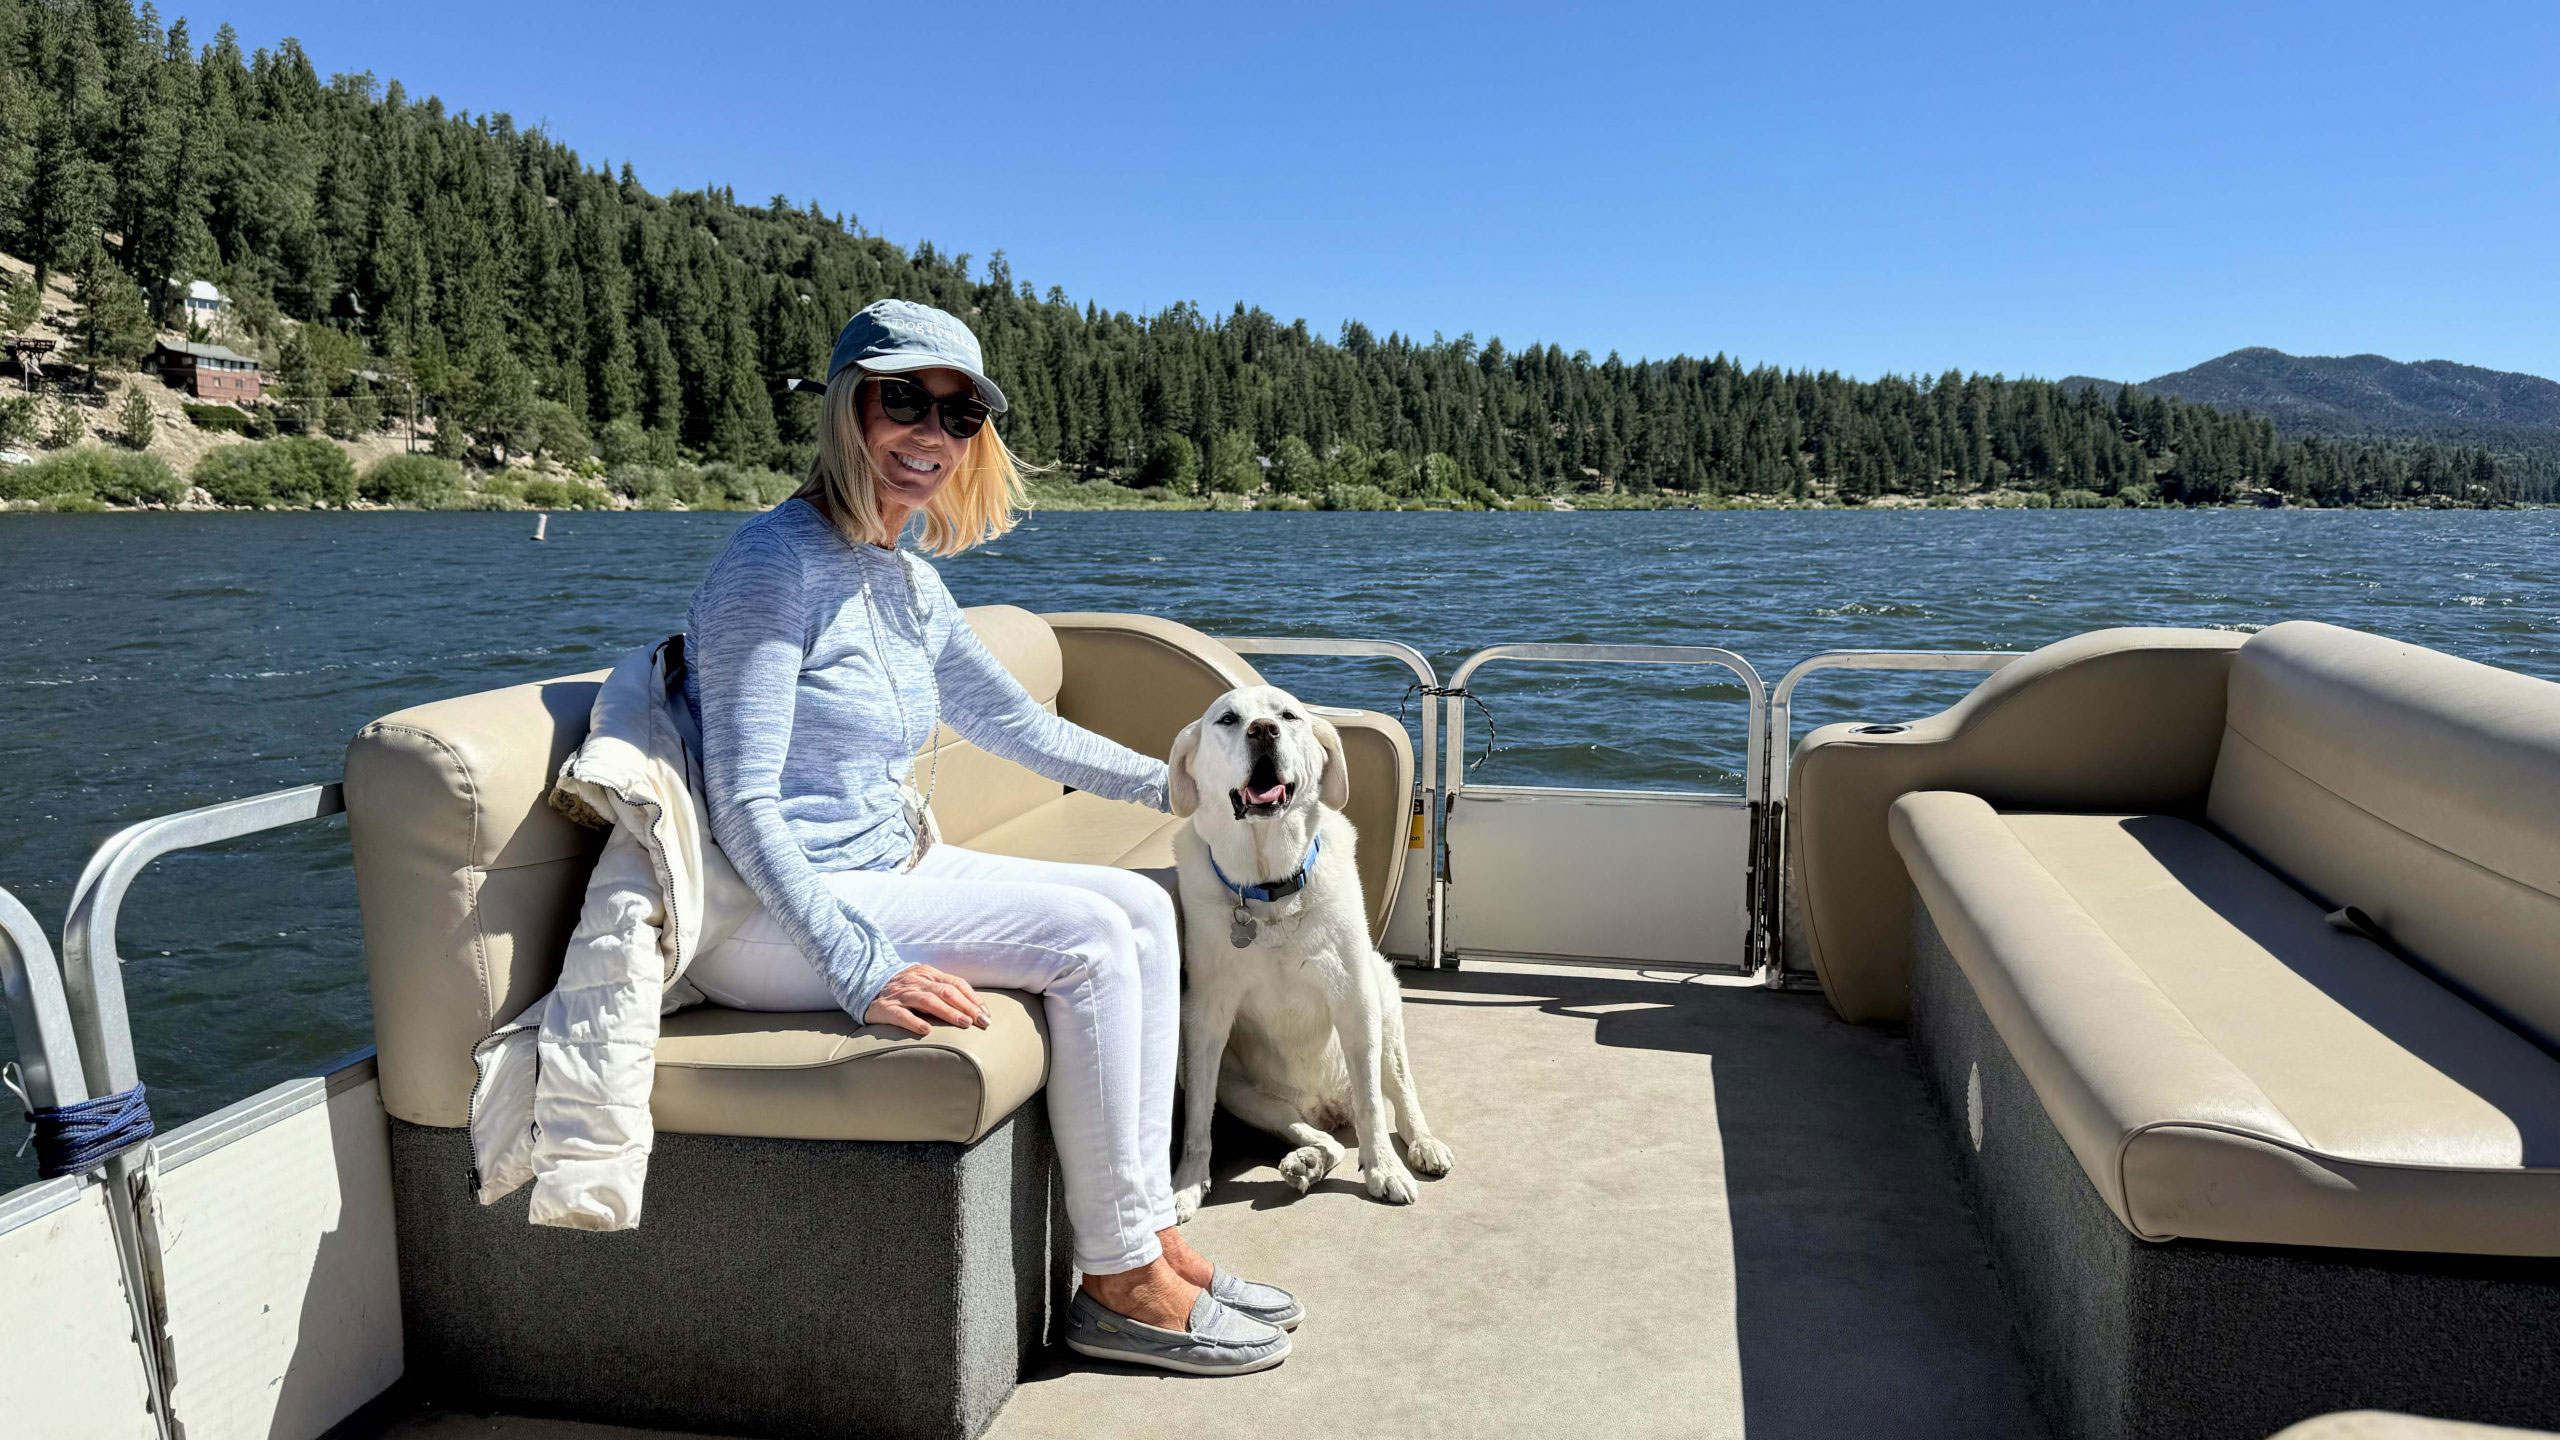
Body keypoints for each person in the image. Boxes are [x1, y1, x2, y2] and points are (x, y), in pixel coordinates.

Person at [680, 298, 1296, 1377]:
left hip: (881, 869)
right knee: (1091, 942)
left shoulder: (906, 578)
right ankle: (1115, 1283)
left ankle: (1148, 1233)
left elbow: (1017, 725)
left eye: (959, 416)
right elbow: (740, 803)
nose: (929, 434)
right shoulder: (770, 566)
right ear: (845, 405)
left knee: (1144, 908)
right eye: (902, 400)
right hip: (771, 913)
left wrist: (1190, 786)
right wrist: (856, 961)